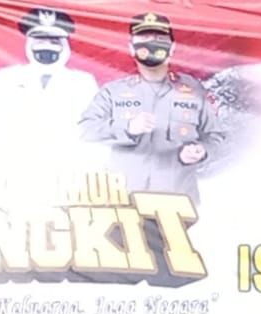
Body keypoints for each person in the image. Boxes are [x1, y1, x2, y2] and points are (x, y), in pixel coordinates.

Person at [79, 12, 225, 205]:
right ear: (131, 48)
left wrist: (202, 150)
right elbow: (84, 130)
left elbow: (216, 136)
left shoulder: (193, 90)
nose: (151, 44)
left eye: (159, 39)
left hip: (178, 204)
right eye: (144, 38)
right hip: (122, 204)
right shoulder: (113, 92)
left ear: (172, 47)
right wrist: (127, 127)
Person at [0, 8, 99, 183]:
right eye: (40, 40)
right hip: (14, 175)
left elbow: (93, 136)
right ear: (29, 43)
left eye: (54, 41)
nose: (47, 47)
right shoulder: (4, 80)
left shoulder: (83, 83)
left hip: (70, 177)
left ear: (65, 45)